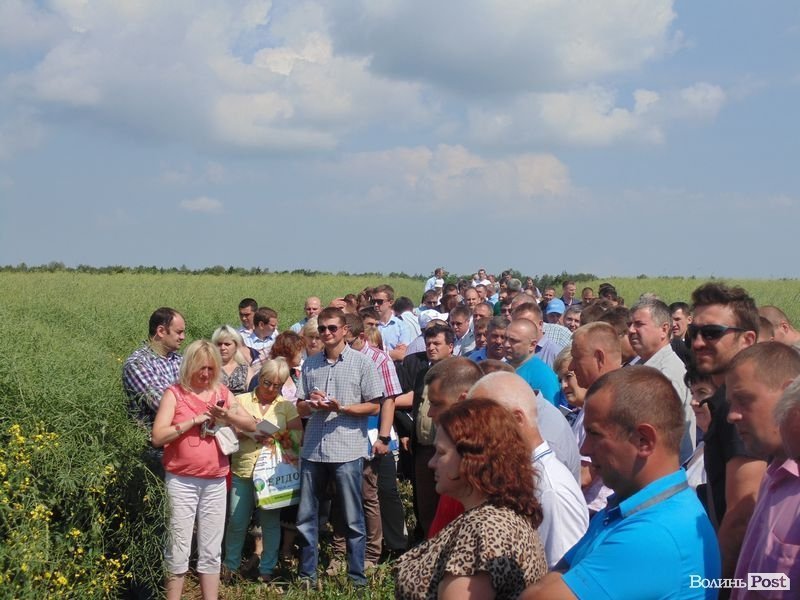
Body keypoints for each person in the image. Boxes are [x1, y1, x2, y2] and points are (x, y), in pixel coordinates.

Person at [520, 366, 721, 600]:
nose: (584, 449)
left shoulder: (655, 534)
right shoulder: (633, 508)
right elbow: (558, 576)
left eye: (594, 435)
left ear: (643, 441)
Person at [394, 398, 547, 599]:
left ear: (473, 459)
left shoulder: (485, 529)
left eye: (441, 453)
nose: (432, 462)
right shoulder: (499, 514)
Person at [150, 340, 256, 600]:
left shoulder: (221, 393)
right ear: (189, 366)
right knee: (178, 547)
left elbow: (251, 424)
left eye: (211, 368)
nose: (206, 374)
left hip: (215, 480)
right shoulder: (174, 394)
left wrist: (227, 416)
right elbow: (158, 437)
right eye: (201, 368)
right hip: (181, 480)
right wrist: (193, 421)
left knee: (211, 548)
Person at [295, 308, 385, 587]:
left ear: (345, 330)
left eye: (332, 328)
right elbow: (299, 406)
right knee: (306, 516)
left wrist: (341, 407)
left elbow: (374, 405)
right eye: (322, 328)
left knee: (352, 517)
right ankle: (307, 576)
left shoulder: (362, 363)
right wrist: (311, 403)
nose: (326, 333)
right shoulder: (310, 364)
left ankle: (356, 578)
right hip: (314, 449)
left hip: (347, 449)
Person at [469, 372, 589, 568]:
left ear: (517, 419)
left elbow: (562, 574)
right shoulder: (524, 474)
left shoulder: (550, 490)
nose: (474, 433)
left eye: (483, 421)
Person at [689, 282, 764, 582]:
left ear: (747, 340)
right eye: (693, 333)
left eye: (711, 333)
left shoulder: (740, 409)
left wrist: (717, 586)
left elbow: (742, 514)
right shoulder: (722, 401)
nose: (698, 342)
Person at [726, 343, 800, 598]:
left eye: (744, 400)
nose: (732, 416)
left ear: (789, 394)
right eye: (731, 403)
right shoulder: (772, 474)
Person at [223, 358, 302, 583]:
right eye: (267, 382)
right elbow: (228, 432)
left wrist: (276, 435)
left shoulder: (286, 406)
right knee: (237, 521)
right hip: (244, 470)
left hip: (271, 476)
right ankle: (230, 567)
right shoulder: (241, 400)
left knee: (270, 523)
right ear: (260, 377)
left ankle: (267, 569)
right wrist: (250, 430)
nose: (270, 389)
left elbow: (298, 438)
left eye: (277, 385)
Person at [396, 322, 455, 539]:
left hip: (447, 450)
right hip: (422, 449)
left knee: (447, 504)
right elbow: (417, 407)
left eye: (437, 343)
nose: (431, 347)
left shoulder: (457, 373)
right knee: (425, 504)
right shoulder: (423, 374)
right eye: (428, 343)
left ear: (450, 346)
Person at [628, 298, 695, 462]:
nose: (631, 330)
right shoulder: (640, 365)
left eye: (639, 324)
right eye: (629, 324)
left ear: (664, 330)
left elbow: (653, 435)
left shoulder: (666, 376)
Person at [123, 307, 186, 430]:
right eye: (179, 332)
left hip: (184, 431)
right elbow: (163, 405)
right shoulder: (137, 364)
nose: (183, 337)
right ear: (161, 331)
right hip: (154, 438)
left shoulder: (180, 360)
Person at [504, 318, 560, 404]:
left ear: (532, 345)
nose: (506, 344)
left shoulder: (543, 376)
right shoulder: (502, 368)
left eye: (513, 341)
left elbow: (549, 410)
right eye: (505, 338)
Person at [372, 284, 414, 361]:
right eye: (373, 301)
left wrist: (375, 353)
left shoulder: (402, 326)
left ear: (391, 302)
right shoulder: (369, 324)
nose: (375, 305)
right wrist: (392, 353)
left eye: (379, 302)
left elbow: (402, 354)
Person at [211, 325, 252, 395]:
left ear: (236, 346)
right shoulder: (210, 369)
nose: (223, 348)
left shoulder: (245, 369)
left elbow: (252, 393)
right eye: (219, 344)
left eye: (227, 344)